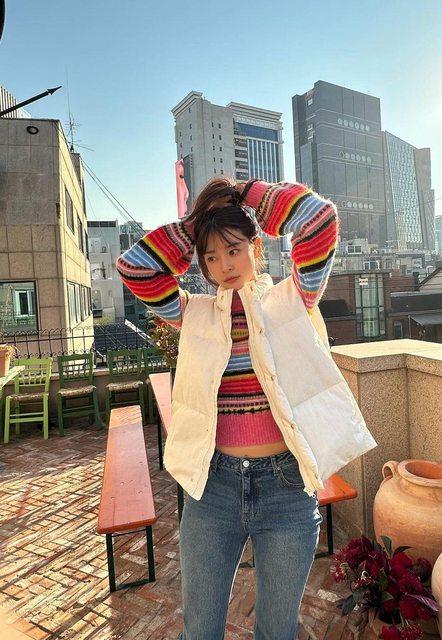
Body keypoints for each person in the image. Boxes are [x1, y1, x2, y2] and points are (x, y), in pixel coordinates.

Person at [117, 177, 376, 639]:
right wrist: (200, 223)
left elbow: (319, 220)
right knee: (200, 631)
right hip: (213, 487)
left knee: (277, 631)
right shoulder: (193, 314)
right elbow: (135, 268)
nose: (224, 265)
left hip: (286, 488)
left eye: (233, 249)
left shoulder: (293, 299)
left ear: (256, 247)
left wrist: (245, 191)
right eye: (211, 257)